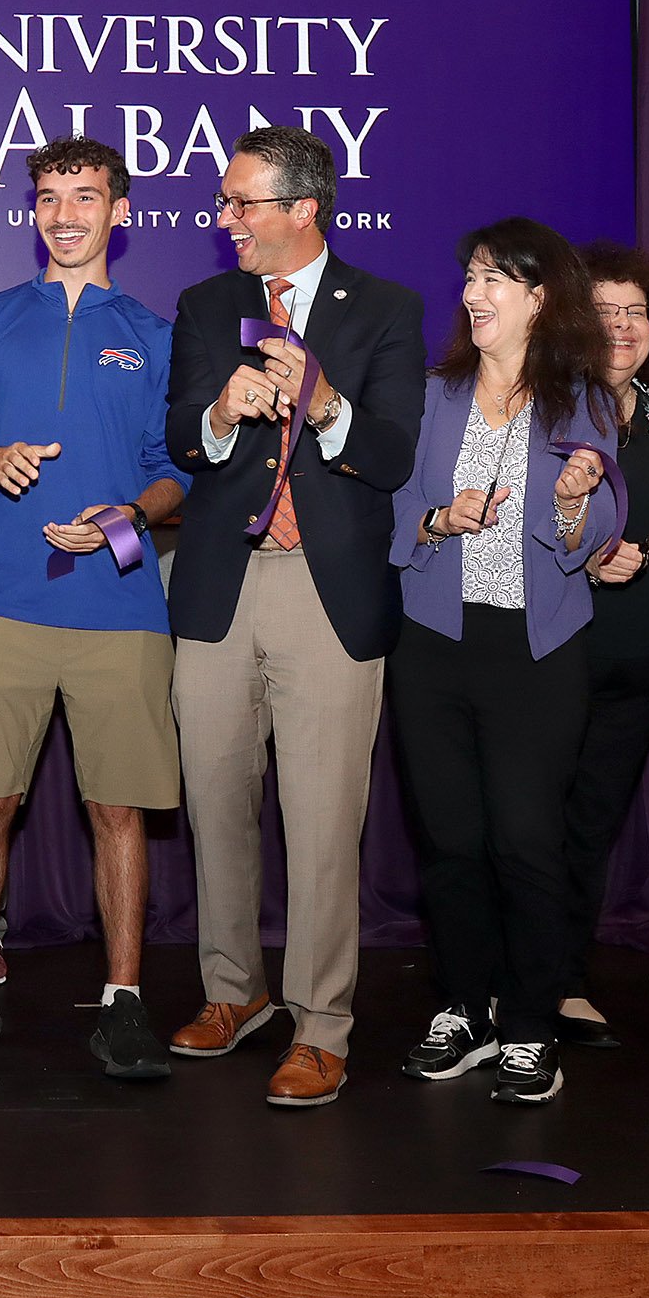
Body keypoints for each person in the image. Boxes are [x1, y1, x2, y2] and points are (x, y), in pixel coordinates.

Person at [163, 127, 426, 1106]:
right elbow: (180, 438)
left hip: (328, 587)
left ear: (302, 208)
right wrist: (221, 413)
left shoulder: (386, 310)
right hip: (220, 586)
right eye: (224, 202)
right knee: (214, 796)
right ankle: (234, 991)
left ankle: (321, 1023)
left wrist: (324, 408)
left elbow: (392, 452)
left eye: (240, 202)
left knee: (320, 818)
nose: (223, 219)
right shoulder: (206, 304)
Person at [0, 136, 186, 1083]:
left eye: (84, 196)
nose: (64, 213)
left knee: (119, 809)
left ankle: (122, 1001)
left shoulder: (156, 333)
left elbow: (174, 474)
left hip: (119, 607)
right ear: (32, 210)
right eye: (47, 196)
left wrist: (131, 515)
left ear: (120, 210)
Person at [387, 218, 617, 1108]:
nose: (473, 294)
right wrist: (439, 520)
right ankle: (463, 1008)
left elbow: (592, 530)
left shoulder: (581, 398)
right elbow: (396, 507)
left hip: (536, 648)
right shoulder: (435, 392)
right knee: (450, 841)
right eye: (472, 277)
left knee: (525, 841)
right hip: (436, 642)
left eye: (494, 279)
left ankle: (529, 1022)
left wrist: (570, 503)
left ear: (539, 297)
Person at [552, 244, 649, 1050]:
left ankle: (563, 978)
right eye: (603, 313)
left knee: (592, 824)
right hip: (553, 653)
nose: (621, 327)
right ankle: (510, 976)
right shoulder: (545, 413)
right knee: (534, 823)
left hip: (637, 663)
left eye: (634, 312)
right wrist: (587, 554)